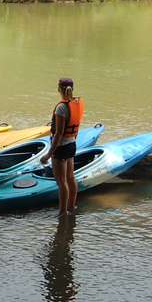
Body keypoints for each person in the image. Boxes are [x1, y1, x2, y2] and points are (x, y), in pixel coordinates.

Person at [40, 77, 84, 216]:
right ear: (72, 89)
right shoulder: (76, 103)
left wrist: (48, 154)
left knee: (61, 181)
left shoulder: (61, 107)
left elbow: (58, 134)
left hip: (61, 147)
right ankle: (71, 207)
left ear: (59, 89)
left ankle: (62, 212)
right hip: (71, 144)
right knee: (71, 177)